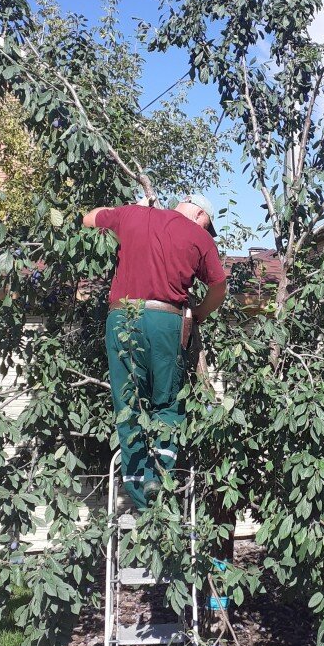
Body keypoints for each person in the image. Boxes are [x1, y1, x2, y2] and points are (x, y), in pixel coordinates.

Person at [83, 193, 227, 509]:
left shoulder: (132, 214)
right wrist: (200, 313)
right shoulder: (198, 236)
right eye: (208, 223)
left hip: (122, 317)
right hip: (166, 320)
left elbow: (89, 218)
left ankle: (137, 489)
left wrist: (127, 214)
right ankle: (159, 477)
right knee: (168, 400)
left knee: (128, 402)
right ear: (201, 214)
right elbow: (219, 287)